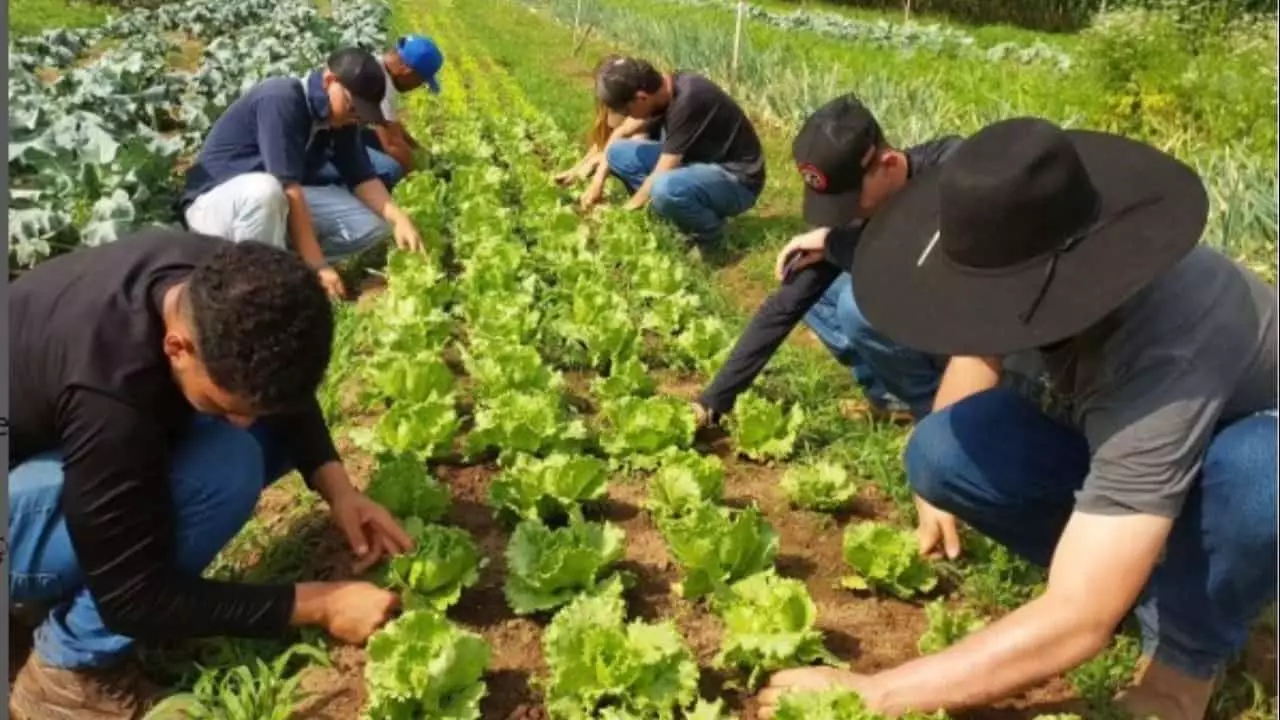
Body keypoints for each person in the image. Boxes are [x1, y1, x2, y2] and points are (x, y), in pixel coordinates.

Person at [756, 117, 1278, 720]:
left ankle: (1184, 664)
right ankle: (1138, 573)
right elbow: (982, 349)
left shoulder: (1166, 339)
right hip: (1130, 430)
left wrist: (876, 693)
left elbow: (1080, 618)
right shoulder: (1032, 255)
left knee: (1261, 475)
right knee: (943, 452)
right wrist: (933, 475)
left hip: (1239, 435)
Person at [7, 229, 414, 719]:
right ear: (177, 347)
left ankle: (58, 583)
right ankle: (68, 674)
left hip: (44, 438)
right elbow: (133, 598)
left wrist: (340, 490)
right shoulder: (109, 396)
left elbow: (281, 393)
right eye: (224, 404)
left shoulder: (222, 283)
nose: (242, 420)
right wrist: (319, 604)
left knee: (256, 436)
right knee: (225, 466)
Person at [180, 46, 424, 301]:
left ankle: (287, 269)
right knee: (266, 191)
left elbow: (362, 177)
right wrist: (318, 264)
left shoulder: (340, 119)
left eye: (362, 113)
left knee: (374, 225)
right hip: (215, 207)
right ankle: (259, 286)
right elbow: (288, 188)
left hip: (269, 206)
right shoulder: (281, 98)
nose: (356, 117)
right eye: (353, 107)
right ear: (330, 80)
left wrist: (399, 219)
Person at [581, 55, 765, 245]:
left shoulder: (688, 100)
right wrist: (597, 184)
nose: (627, 117)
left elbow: (662, 172)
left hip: (737, 180)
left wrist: (622, 215)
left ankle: (710, 236)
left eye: (627, 111)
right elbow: (621, 132)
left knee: (665, 188)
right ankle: (665, 214)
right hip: (698, 162)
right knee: (618, 154)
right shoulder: (660, 93)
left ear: (641, 98)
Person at [314, 34, 445, 192]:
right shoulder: (378, 84)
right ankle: (345, 190)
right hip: (321, 139)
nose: (418, 86)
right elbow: (392, 145)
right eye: (420, 80)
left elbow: (393, 127)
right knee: (392, 169)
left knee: (379, 143)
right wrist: (422, 182)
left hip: (337, 129)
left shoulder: (376, 67)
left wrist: (421, 152)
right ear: (406, 70)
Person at [553, 55, 632, 187]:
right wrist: (575, 170)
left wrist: (597, 162)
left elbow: (623, 146)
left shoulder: (636, 112)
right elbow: (602, 143)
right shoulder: (608, 108)